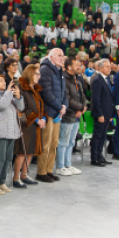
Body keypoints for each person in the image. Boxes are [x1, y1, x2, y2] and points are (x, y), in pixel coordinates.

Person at [0, 74, 24, 195]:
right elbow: (1, 105)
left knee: (8, 159)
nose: (4, 82)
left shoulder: (7, 95)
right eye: (0, 81)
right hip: (0, 130)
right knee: (0, 158)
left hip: (10, 130)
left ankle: (2, 182)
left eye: (4, 80)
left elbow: (21, 108)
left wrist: (18, 96)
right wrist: (8, 92)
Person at [36, 48, 67, 180]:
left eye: (63, 56)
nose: (62, 58)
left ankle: (49, 170)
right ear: (52, 57)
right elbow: (46, 92)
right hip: (48, 112)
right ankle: (41, 172)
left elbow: (64, 91)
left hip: (57, 113)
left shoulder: (59, 71)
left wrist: (64, 105)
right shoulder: (45, 69)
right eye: (59, 55)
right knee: (46, 144)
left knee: (54, 143)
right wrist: (60, 106)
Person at [13, 64, 44, 186]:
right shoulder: (22, 86)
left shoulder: (35, 88)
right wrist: (37, 120)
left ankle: (24, 175)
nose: (38, 76)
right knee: (22, 151)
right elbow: (23, 108)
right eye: (36, 74)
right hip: (26, 124)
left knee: (31, 151)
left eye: (39, 74)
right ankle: (16, 178)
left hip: (35, 124)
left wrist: (43, 118)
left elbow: (40, 106)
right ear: (30, 73)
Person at [57, 58, 86, 175]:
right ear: (69, 67)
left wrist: (83, 108)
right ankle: (60, 166)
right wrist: (79, 108)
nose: (79, 67)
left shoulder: (76, 80)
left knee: (71, 142)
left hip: (76, 116)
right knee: (63, 142)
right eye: (76, 65)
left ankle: (68, 164)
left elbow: (83, 96)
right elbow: (67, 99)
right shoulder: (64, 80)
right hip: (68, 116)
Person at [90, 60, 114, 167]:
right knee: (97, 136)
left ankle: (100, 156)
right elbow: (96, 99)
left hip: (106, 114)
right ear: (100, 69)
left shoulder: (106, 80)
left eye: (110, 67)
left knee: (103, 137)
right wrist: (100, 114)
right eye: (107, 67)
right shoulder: (97, 80)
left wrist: (109, 115)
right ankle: (94, 158)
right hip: (100, 114)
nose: (109, 68)